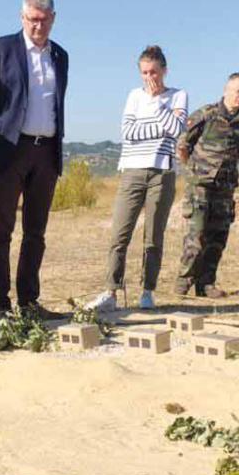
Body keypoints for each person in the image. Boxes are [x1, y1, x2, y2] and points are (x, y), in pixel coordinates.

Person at [0, 0, 69, 317]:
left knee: (36, 232)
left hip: (46, 152)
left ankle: (29, 301)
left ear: (53, 19)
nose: (37, 26)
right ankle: (0, 303)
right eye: (31, 20)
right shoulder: (0, 49)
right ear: (21, 17)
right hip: (10, 150)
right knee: (1, 230)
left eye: (43, 20)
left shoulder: (60, 56)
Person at [85, 45, 187, 312]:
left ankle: (147, 291)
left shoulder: (178, 96)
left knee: (153, 236)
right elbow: (128, 133)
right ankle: (111, 291)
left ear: (164, 70)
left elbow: (176, 130)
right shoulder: (133, 96)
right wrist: (158, 127)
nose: (149, 77)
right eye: (144, 72)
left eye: (153, 71)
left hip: (161, 173)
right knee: (120, 234)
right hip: (132, 170)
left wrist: (157, 104)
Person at [174, 73, 239, 298]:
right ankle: (183, 279)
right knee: (196, 234)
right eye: (238, 91)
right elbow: (183, 144)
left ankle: (206, 283)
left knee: (218, 237)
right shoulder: (206, 114)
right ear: (226, 90)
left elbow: (236, 155)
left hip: (225, 188)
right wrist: (192, 171)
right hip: (200, 185)